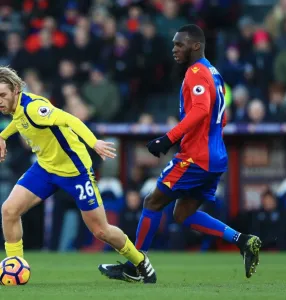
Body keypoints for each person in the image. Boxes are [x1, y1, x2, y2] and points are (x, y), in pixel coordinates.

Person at [99, 24, 261, 282]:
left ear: (195, 45)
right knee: (182, 213)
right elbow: (222, 115)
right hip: (215, 156)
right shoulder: (214, 72)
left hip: (196, 156)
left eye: (179, 44)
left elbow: (200, 110)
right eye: (174, 44)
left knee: (152, 202)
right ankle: (242, 240)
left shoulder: (196, 72)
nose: (174, 49)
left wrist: (168, 138)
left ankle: (137, 265)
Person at [0, 66, 156, 283]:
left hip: (76, 172)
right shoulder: (18, 108)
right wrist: (3, 136)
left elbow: (69, 119)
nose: (0, 101)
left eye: (2, 95)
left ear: (16, 90)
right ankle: (14, 268)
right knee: (9, 210)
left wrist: (94, 143)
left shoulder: (35, 108)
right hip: (45, 168)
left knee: (101, 231)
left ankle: (140, 262)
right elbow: (19, 121)